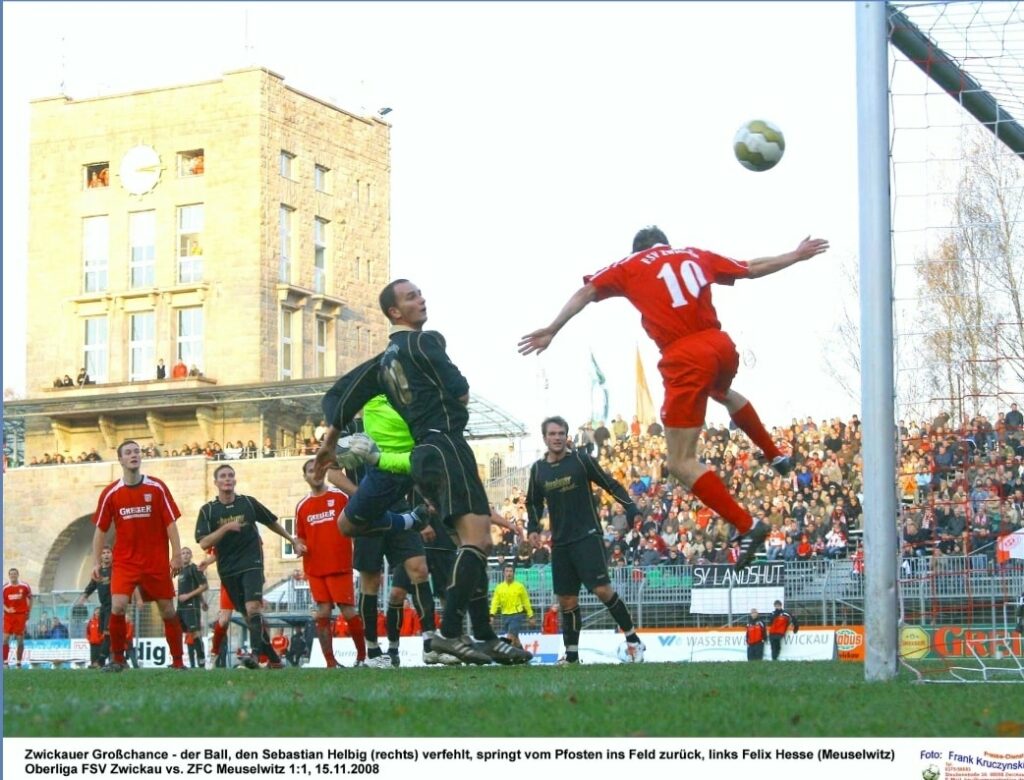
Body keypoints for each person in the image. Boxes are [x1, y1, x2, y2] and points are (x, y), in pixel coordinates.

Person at [519, 227, 829, 571]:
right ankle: (774, 454)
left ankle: (747, 525)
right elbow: (751, 268)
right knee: (721, 392)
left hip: (684, 356)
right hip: (720, 346)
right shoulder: (694, 253)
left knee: (681, 462)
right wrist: (795, 255)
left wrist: (552, 328)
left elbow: (587, 291)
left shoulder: (631, 264)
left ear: (637, 249)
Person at [314, 279, 531, 666]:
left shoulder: (381, 364)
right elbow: (461, 392)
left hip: (424, 452)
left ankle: (484, 636)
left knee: (473, 540)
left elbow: (340, 399)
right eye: (411, 296)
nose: (422, 299)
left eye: (419, 293)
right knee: (476, 540)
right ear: (395, 312)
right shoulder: (426, 342)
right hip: (446, 444)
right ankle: (449, 634)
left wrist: (330, 443)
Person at [324, 395, 451, 668]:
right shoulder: (348, 429)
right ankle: (373, 652)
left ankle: (430, 644)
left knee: (419, 569)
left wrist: (426, 500)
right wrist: (362, 498)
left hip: (398, 505)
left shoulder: (397, 423)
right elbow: (332, 474)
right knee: (371, 580)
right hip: (367, 511)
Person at [526, 415, 646, 664]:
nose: (557, 438)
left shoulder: (581, 460)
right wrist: (533, 528)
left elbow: (610, 484)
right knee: (566, 600)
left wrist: (630, 507)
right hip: (560, 543)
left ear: (567, 436)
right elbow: (533, 503)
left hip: (587, 536)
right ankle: (571, 656)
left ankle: (633, 640)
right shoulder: (538, 470)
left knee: (602, 590)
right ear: (544, 438)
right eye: (552, 434)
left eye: (561, 433)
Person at [195, 464, 306, 669]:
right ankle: (274, 660)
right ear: (216, 482)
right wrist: (226, 528)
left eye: (231, 475)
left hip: (251, 563)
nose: (227, 479)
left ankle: (255, 656)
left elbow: (271, 521)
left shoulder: (247, 503)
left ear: (235, 480)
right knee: (248, 617)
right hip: (228, 569)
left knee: (253, 608)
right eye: (223, 476)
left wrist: (292, 540)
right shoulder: (208, 510)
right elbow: (204, 543)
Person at [91, 440, 186, 671]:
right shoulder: (110, 493)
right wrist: (95, 562)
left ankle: (178, 661)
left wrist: (176, 554)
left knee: (167, 609)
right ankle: (118, 660)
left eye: (137, 451)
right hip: (125, 561)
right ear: (120, 460)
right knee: (118, 606)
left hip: (155, 561)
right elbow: (100, 530)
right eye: (128, 452)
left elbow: (170, 523)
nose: (134, 455)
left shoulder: (157, 487)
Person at [294, 458, 366, 669]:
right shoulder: (302, 506)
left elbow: (355, 523)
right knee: (323, 612)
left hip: (339, 564)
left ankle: (362, 657)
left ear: (324, 471)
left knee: (348, 611)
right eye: (310, 470)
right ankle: (330, 663)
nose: (315, 473)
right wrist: (298, 545)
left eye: (318, 469)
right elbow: (301, 536)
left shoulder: (339, 496)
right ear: (305, 477)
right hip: (315, 567)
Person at [176, 547, 209, 668]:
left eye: (187, 553)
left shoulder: (194, 568)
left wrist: (188, 596)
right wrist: (203, 601)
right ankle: (178, 661)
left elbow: (204, 586)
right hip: (181, 607)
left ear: (191, 555)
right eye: (183, 553)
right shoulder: (180, 571)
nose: (185, 555)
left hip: (191, 606)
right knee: (177, 631)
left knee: (195, 633)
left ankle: (201, 661)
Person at [489, 565, 535, 648]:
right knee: (516, 640)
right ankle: (522, 654)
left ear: (513, 573)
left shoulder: (520, 586)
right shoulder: (499, 588)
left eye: (510, 571)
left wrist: (530, 615)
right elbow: (495, 602)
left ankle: (505, 654)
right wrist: (492, 615)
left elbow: (526, 601)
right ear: (503, 573)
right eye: (507, 571)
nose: (509, 573)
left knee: (510, 638)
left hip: (516, 615)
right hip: (505, 615)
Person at [3, 567, 33, 668]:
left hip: (20, 615)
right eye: (11, 574)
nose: (13, 575)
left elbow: (30, 598)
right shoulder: (5, 587)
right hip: (8, 616)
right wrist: (7, 609)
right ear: (9, 576)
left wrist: (28, 611)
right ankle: (5, 662)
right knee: (5, 638)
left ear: (18, 575)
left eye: (15, 574)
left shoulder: (24, 586)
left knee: (20, 639)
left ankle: (18, 663)